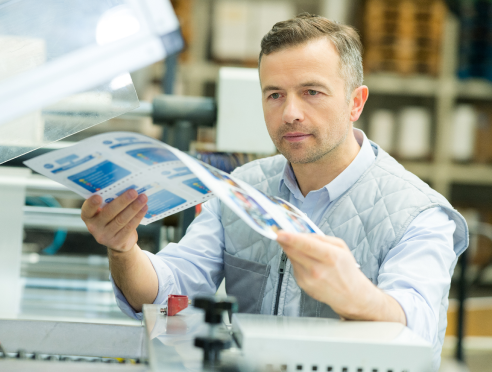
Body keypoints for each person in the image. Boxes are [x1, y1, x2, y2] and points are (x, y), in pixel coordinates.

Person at [81, 13, 468, 370]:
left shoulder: (418, 214)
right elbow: (171, 290)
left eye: (312, 92)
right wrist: (123, 249)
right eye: (275, 94)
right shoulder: (241, 188)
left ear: (355, 102)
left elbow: (417, 333)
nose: (290, 113)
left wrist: (357, 296)